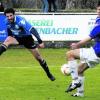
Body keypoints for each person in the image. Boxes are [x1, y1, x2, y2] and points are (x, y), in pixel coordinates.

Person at [1, 8, 55, 81]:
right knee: (7, 40)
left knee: (39, 58)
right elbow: (9, 29)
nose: (9, 18)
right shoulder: (6, 21)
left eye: (11, 16)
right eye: (7, 16)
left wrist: (40, 41)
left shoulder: (20, 20)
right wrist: (11, 37)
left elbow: (32, 29)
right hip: (17, 38)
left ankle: (48, 74)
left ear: (14, 15)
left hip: (27, 39)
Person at [64, 3, 100, 97]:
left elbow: (90, 37)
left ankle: (75, 82)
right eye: (97, 9)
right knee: (80, 69)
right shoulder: (98, 19)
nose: (98, 12)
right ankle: (80, 93)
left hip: (96, 52)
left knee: (69, 54)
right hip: (96, 52)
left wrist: (77, 45)